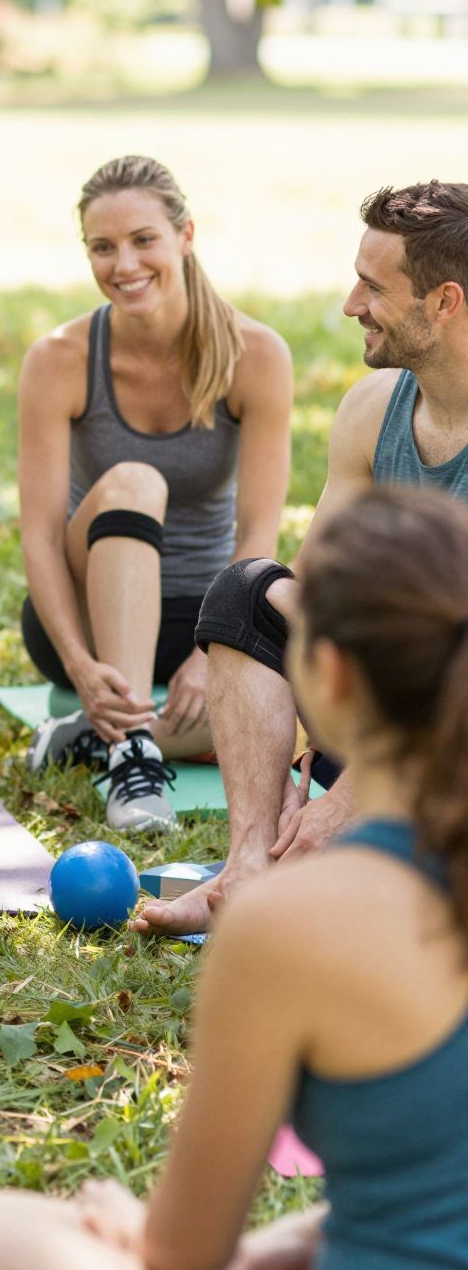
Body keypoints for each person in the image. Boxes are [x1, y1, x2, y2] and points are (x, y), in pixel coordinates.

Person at [0, 484, 468, 1270]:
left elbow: (182, 1257)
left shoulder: (291, 921)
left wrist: (125, 1226)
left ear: (328, 679)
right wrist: (312, 1235)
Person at [139, 179, 468, 936]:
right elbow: (318, 599)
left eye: (373, 286)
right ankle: (248, 869)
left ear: (445, 303)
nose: (352, 303)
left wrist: (349, 797)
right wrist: (303, 763)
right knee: (253, 590)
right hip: (384, 701)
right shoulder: (373, 409)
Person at [19, 153, 291, 834]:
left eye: (143, 240)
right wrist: (79, 664)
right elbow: (42, 535)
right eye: (102, 248)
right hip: (87, 613)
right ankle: (133, 760)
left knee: (295, 708)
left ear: (185, 235)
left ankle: (91, 738)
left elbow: (259, 531)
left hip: (199, 619)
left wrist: (215, 649)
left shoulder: (255, 355)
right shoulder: (58, 358)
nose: (124, 265)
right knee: (137, 480)